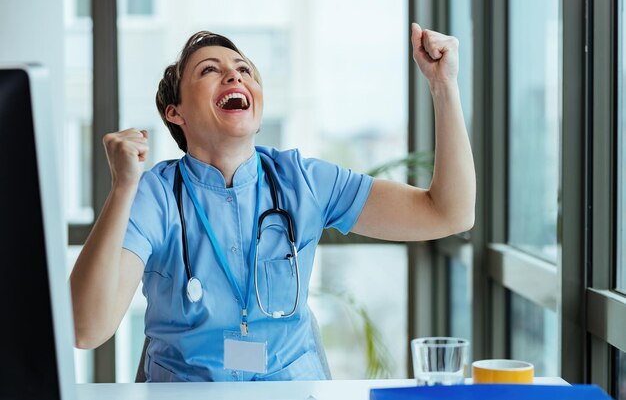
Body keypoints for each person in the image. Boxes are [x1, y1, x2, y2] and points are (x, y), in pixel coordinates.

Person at [70, 23, 475, 382]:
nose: (234, 74)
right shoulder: (154, 196)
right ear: (175, 113)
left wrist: (444, 86)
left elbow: (447, 214)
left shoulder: (304, 182)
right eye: (210, 70)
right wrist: (123, 187)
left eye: (244, 69)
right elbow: (86, 328)